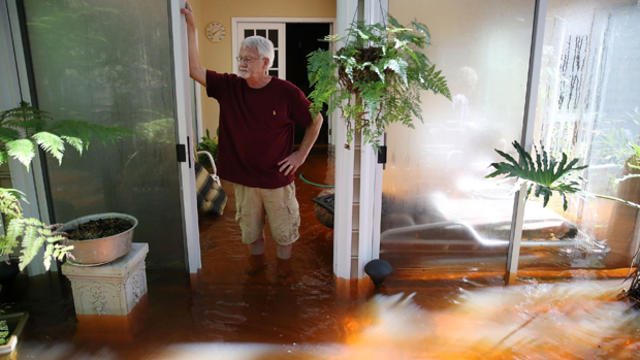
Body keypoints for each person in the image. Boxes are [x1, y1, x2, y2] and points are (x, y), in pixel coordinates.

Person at [181, 2, 323, 263]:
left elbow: (317, 119)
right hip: (244, 182)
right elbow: (193, 70)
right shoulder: (229, 86)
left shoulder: (287, 92)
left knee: (284, 237)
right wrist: (190, 27)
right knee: (251, 236)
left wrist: (301, 156)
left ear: (266, 62)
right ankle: (256, 280)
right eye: (240, 58)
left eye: (248, 59)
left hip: (277, 181)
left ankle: (282, 281)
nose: (241, 63)